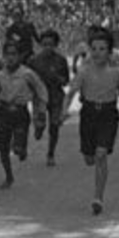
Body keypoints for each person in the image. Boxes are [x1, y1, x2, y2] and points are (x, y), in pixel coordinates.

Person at [62, 28, 119, 215]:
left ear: (110, 52)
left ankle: (98, 197)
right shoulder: (83, 72)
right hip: (89, 114)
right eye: (94, 48)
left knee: (101, 154)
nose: (97, 53)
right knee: (89, 158)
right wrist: (64, 110)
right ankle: (90, 158)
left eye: (102, 49)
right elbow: (71, 92)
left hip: (108, 115)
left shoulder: (116, 73)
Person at [0, 41, 48, 190]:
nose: (10, 58)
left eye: (14, 54)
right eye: (7, 54)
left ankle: (22, 148)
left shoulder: (27, 74)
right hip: (3, 112)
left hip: (20, 112)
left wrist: (41, 108)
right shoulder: (0, 75)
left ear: (20, 56)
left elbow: (41, 89)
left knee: (18, 148)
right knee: (3, 147)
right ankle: (8, 176)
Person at [28, 29, 70, 166]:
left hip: (56, 96)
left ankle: (51, 153)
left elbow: (66, 81)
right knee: (40, 123)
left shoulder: (61, 60)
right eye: (44, 44)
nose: (47, 47)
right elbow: (27, 80)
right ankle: (38, 128)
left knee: (54, 126)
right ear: (40, 44)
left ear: (56, 45)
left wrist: (58, 78)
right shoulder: (33, 61)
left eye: (50, 44)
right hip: (40, 98)